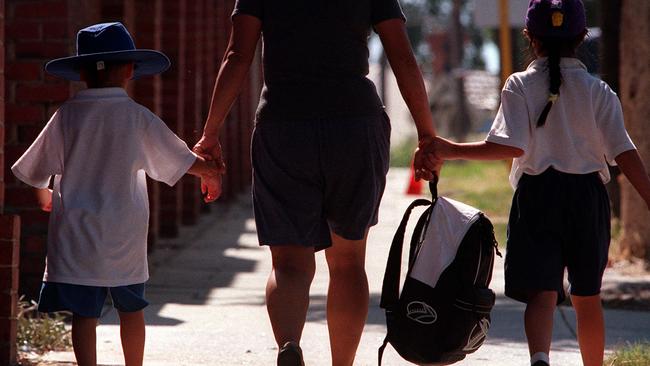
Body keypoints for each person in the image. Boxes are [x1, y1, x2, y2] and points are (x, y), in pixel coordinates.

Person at [193, 1, 440, 364]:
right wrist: (427, 135)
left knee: (289, 262)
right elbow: (402, 57)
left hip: (284, 124)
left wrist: (210, 133)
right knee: (348, 262)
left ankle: (289, 343)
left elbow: (237, 55)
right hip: (354, 124)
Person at [431, 1, 650, 366]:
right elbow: (625, 153)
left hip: (537, 198)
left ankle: (540, 360)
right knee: (587, 295)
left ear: (530, 38)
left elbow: (509, 145)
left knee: (542, 294)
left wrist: (448, 149)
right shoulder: (599, 92)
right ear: (581, 37)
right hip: (588, 200)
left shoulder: (519, 85)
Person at [11, 22, 223, 366]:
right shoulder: (137, 117)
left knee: (84, 313)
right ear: (129, 69)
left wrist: (45, 195)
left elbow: (36, 170)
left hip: (76, 229)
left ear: (81, 74)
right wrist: (210, 172)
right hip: (124, 230)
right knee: (131, 307)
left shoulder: (66, 116)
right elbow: (178, 158)